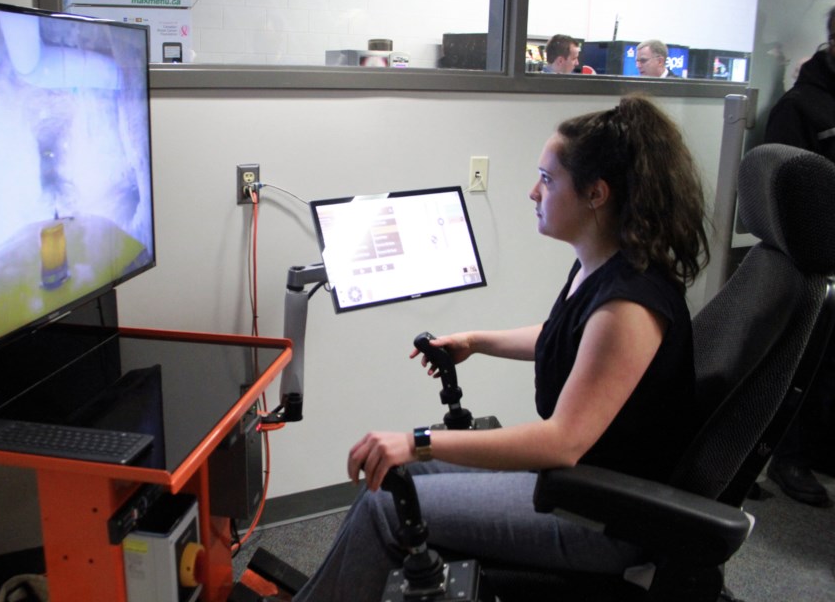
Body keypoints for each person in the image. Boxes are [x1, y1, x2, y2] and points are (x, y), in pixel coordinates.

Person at [292, 94, 710, 602]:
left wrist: (417, 438)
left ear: (596, 194)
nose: (533, 191)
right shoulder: (600, 266)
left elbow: (562, 441)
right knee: (394, 477)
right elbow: (567, 338)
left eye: (548, 180)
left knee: (388, 506)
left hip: (602, 516)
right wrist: (477, 341)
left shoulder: (630, 306)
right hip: (575, 485)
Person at [762, 6, 835, 507]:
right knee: (820, 341)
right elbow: (788, 202)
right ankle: (792, 454)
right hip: (819, 257)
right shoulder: (801, 107)